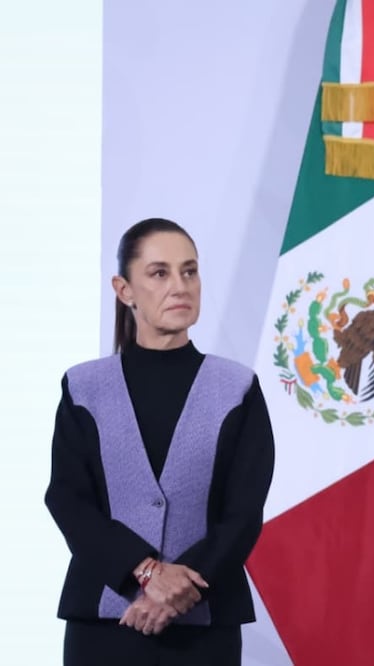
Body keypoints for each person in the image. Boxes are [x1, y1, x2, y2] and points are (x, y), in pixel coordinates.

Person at [44, 218, 275, 665]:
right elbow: (67, 499)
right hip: (103, 625)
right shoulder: (84, 387)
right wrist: (146, 572)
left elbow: (244, 512)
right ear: (124, 289)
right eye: (159, 273)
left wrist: (181, 588)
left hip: (205, 629)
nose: (180, 286)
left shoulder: (237, 388)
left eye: (189, 271)